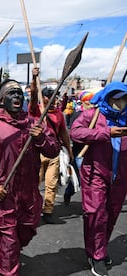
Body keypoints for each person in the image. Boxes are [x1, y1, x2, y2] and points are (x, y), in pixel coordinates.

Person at [0, 79, 60, 276]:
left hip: (28, 199)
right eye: (12, 93)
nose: (17, 96)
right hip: (3, 199)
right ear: (2, 99)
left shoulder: (34, 125)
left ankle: (3, 260)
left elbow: (54, 150)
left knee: (21, 237)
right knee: (8, 245)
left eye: (20, 93)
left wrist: (41, 139)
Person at [70, 81, 127, 276]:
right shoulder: (93, 115)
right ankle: (96, 255)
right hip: (95, 173)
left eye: (125, 99)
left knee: (110, 215)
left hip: (120, 178)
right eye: (117, 99)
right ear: (108, 98)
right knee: (95, 215)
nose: (121, 104)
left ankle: (99, 249)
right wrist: (106, 133)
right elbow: (75, 133)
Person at [29, 68, 73, 224]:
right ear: (45, 98)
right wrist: (34, 79)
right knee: (33, 185)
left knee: (51, 184)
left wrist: (69, 151)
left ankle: (48, 210)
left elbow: (63, 135)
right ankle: (32, 210)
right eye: (50, 97)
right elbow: (33, 96)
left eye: (55, 97)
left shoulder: (59, 114)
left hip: (53, 153)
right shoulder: (36, 110)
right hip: (36, 153)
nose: (54, 100)